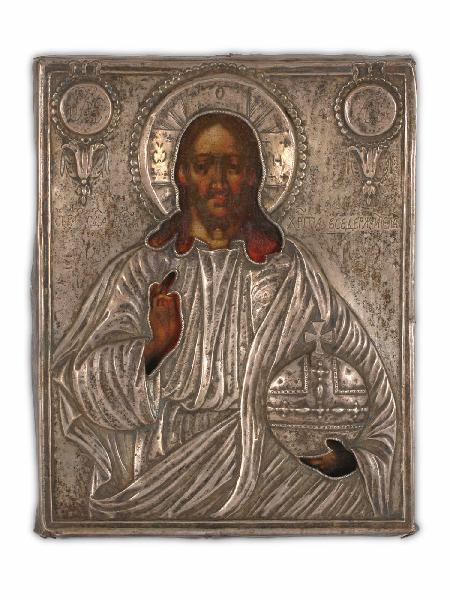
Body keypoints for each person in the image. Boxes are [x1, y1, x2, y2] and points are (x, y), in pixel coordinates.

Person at [53, 112, 396, 520]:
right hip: (164, 464)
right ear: (181, 175)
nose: (217, 182)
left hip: (273, 465)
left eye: (232, 167)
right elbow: (79, 381)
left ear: (253, 177)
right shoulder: (145, 269)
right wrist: (154, 347)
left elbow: (366, 365)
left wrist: (356, 456)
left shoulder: (290, 271)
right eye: (203, 166)